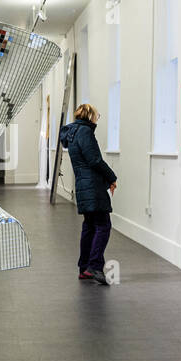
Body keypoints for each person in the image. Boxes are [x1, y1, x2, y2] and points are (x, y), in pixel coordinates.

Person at [59, 103, 117, 285]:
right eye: (96, 116)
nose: (96, 120)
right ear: (89, 116)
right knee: (103, 225)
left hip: (83, 185)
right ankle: (94, 266)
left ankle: (84, 267)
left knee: (90, 226)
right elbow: (94, 160)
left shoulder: (72, 133)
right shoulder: (85, 132)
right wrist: (112, 177)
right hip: (92, 186)